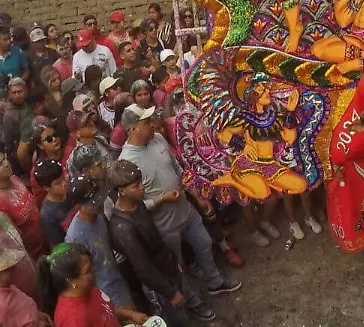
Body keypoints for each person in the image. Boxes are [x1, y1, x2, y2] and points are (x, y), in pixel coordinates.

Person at [116, 105, 241, 297]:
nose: (152, 125)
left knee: (204, 244)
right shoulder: (127, 161)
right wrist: (161, 199)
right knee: (177, 265)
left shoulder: (157, 139)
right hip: (164, 226)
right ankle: (192, 301)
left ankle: (215, 282)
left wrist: (198, 198)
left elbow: (178, 170)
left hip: (186, 211)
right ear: (133, 129)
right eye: (146, 122)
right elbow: (135, 208)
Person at [106, 160, 216, 323]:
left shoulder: (137, 204)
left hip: (168, 266)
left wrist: (172, 260)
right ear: (121, 191)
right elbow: (144, 268)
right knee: (177, 319)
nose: (142, 187)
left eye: (140, 183)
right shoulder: (123, 228)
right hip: (159, 283)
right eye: (136, 186)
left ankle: (194, 305)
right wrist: (170, 293)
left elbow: (155, 236)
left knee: (184, 297)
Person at [61, 176, 135, 322]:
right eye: (93, 203)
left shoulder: (98, 216)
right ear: (79, 205)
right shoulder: (76, 238)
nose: (100, 204)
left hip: (119, 283)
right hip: (107, 295)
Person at [37, 243, 148, 327]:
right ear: (71, 280)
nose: (94, 270)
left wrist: (132, 315)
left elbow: (105, 310)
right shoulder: (73, 320)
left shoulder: (87, 288)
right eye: (88, 270)